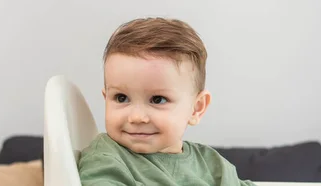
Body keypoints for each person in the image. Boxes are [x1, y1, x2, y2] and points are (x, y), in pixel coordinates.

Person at [78, 17, 256, 186]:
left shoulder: (213, 165)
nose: (137, 117)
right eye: (121, 98)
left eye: (157, 100)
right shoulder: (106, 158)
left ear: (196, 109)